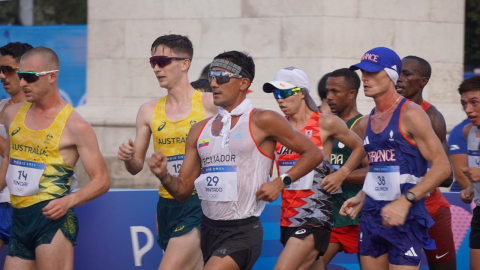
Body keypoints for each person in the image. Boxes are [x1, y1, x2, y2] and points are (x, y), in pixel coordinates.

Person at [148, 51, 323, 270]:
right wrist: (163, 175)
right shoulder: (198, 130)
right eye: (212, 76)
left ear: (243, 83)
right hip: (207, 229)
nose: (213, 83)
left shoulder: (264, 119)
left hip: (242, 231)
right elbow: (183, 192)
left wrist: (281, 182)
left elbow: (314, 153)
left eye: (221, 77)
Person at [340, 47, 450, 270]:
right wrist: (362, 196)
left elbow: (443, 168)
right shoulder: (365, 122)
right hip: (372, 216)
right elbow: (381, 169)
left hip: (405, 217)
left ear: (391, 75)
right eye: (363, 73)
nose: (365, 79)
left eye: (372, 73)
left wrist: (405, 200)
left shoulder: (411, 113)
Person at [0, 46, 110, 270]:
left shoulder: (76, 125)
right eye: (21, 76)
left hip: (52, 220)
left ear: (52, 77)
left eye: (29, 77)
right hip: (19, 218)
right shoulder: (12, 114)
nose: (22, 84)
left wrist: (69, 201)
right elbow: (9, 161)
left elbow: (102, 180)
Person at [117, 34, 217, 270]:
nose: (156, 68)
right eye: (153, 62)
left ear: (185, 64)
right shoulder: (148, 110)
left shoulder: (210, 104)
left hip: (199, 203)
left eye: (163, 61)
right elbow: (135, 167)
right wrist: (128, 157)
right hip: (166, 205)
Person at [264, 67, 365, 270]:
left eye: (284, 93)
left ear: (301, 92)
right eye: (276, 94)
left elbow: (360, 148)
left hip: (315, 213)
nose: (279, 100)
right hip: (287, 215)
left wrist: (342, 174)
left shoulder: (325, 122)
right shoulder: (277, 129)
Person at [396, 55, 456, 270]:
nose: (399, 78)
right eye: (398, 72)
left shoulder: (432, 116)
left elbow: (447, 175)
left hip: (431, 210)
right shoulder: (383, 115)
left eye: (407, 74)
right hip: (396, 211)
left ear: (423, 81)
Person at [322, 68, 368, 267]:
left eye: (335, 92)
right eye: (327, 92)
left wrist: (341, 175)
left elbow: (375, 171)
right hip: (332, 215)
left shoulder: (362, 124)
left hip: (356, 217)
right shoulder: (330, 124)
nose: (329, 97)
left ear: (351, 93)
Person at [0, 42, 32, 251]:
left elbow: (21, 155)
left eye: (8, 70)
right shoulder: (2, 106)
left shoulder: (35, 111)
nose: (2, 76)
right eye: (0, 70)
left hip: (18, 201)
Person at [457, 76, 480, 270]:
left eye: (475, 102)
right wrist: (470, 188)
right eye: (464, 104)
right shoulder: (468, 131)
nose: (468, 110)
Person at [449, 118, 471, 191]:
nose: (468, 110)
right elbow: (461, 177)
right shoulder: (460, 131)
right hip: (465, 196)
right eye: (465, 105)